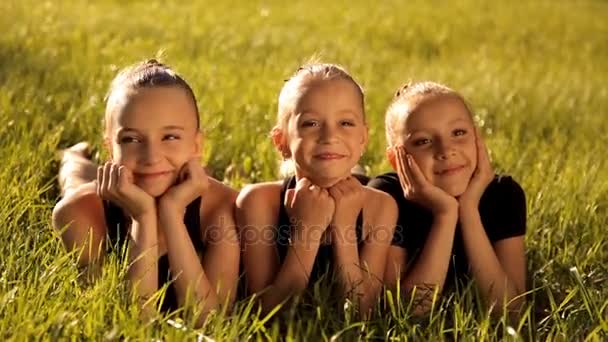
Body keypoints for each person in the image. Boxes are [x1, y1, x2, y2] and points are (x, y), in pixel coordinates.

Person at [52, 60, 240, 323]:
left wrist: (172, 215)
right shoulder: (78, 212)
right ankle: (72, 157)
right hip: (101, 193)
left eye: (170, 137)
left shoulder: (224, 208)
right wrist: (143, 217)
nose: (151, 157)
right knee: (75, 180)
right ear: (110, 148)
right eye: (131, 139)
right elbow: (129, 321)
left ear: (197, 145)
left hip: (190, 184)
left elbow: (208, 320)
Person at [235, 63, 398, 316]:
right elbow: (268, 316)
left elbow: (362, 314)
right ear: (282, 142)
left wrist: (344, 228)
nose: (330, 136)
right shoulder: (258, 202)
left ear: (363, 138)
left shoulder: (380, 207)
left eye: (345, 122)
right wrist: (307, 233)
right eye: (311, 123)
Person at [369, 81, 527, 316]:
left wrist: (469, 209)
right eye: (423, 141)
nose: (445, 149)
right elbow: (406, 315)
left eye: (458, 133)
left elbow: (511, 312)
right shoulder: (386, 197)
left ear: (477, 139)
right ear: (396, 160)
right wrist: (445, 215)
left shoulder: (504, 194)